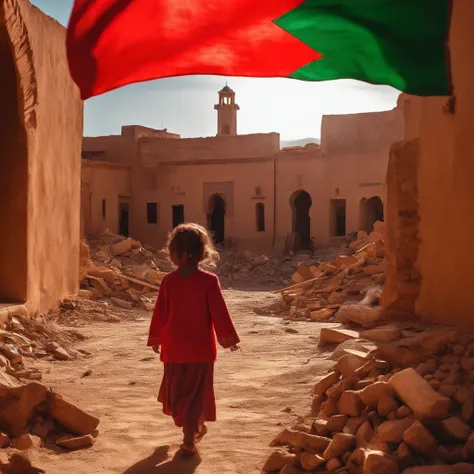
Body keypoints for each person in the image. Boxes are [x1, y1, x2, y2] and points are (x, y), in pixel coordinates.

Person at [148, 223, 240, 455]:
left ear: (186, 253)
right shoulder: (203, 281)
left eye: (172, 252)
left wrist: (157, 337)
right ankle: (193, 428)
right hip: (198, 351)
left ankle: (189, 437)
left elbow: (161, 313)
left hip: (177, 350)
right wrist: (228, 338)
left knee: (178, 394)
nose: (170, 257)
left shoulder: (173, 281)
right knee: (194, 395)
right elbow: (218, 312)